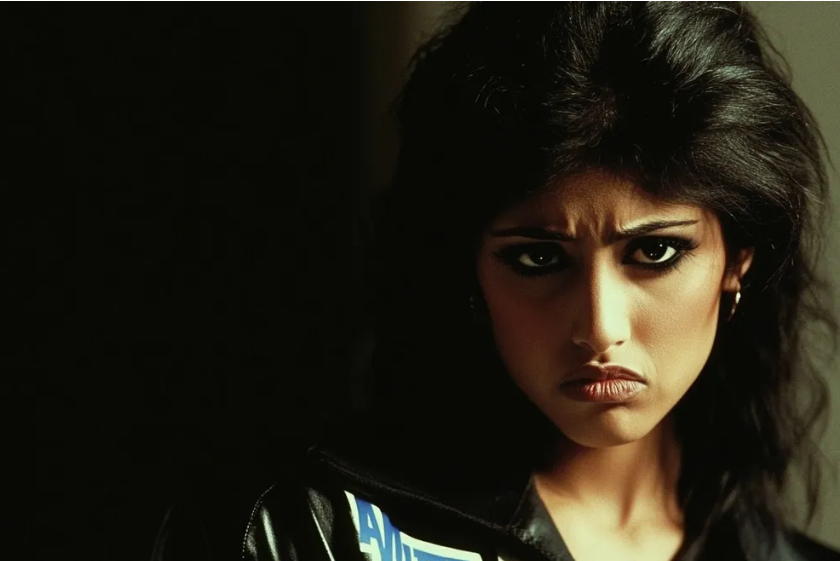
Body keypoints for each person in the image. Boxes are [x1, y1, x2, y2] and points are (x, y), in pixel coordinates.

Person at [152, 2, 840, 560]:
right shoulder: (307, 532)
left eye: (654, 252)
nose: (599, 326)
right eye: (538, 259)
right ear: (468, 265)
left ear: (738, 258)